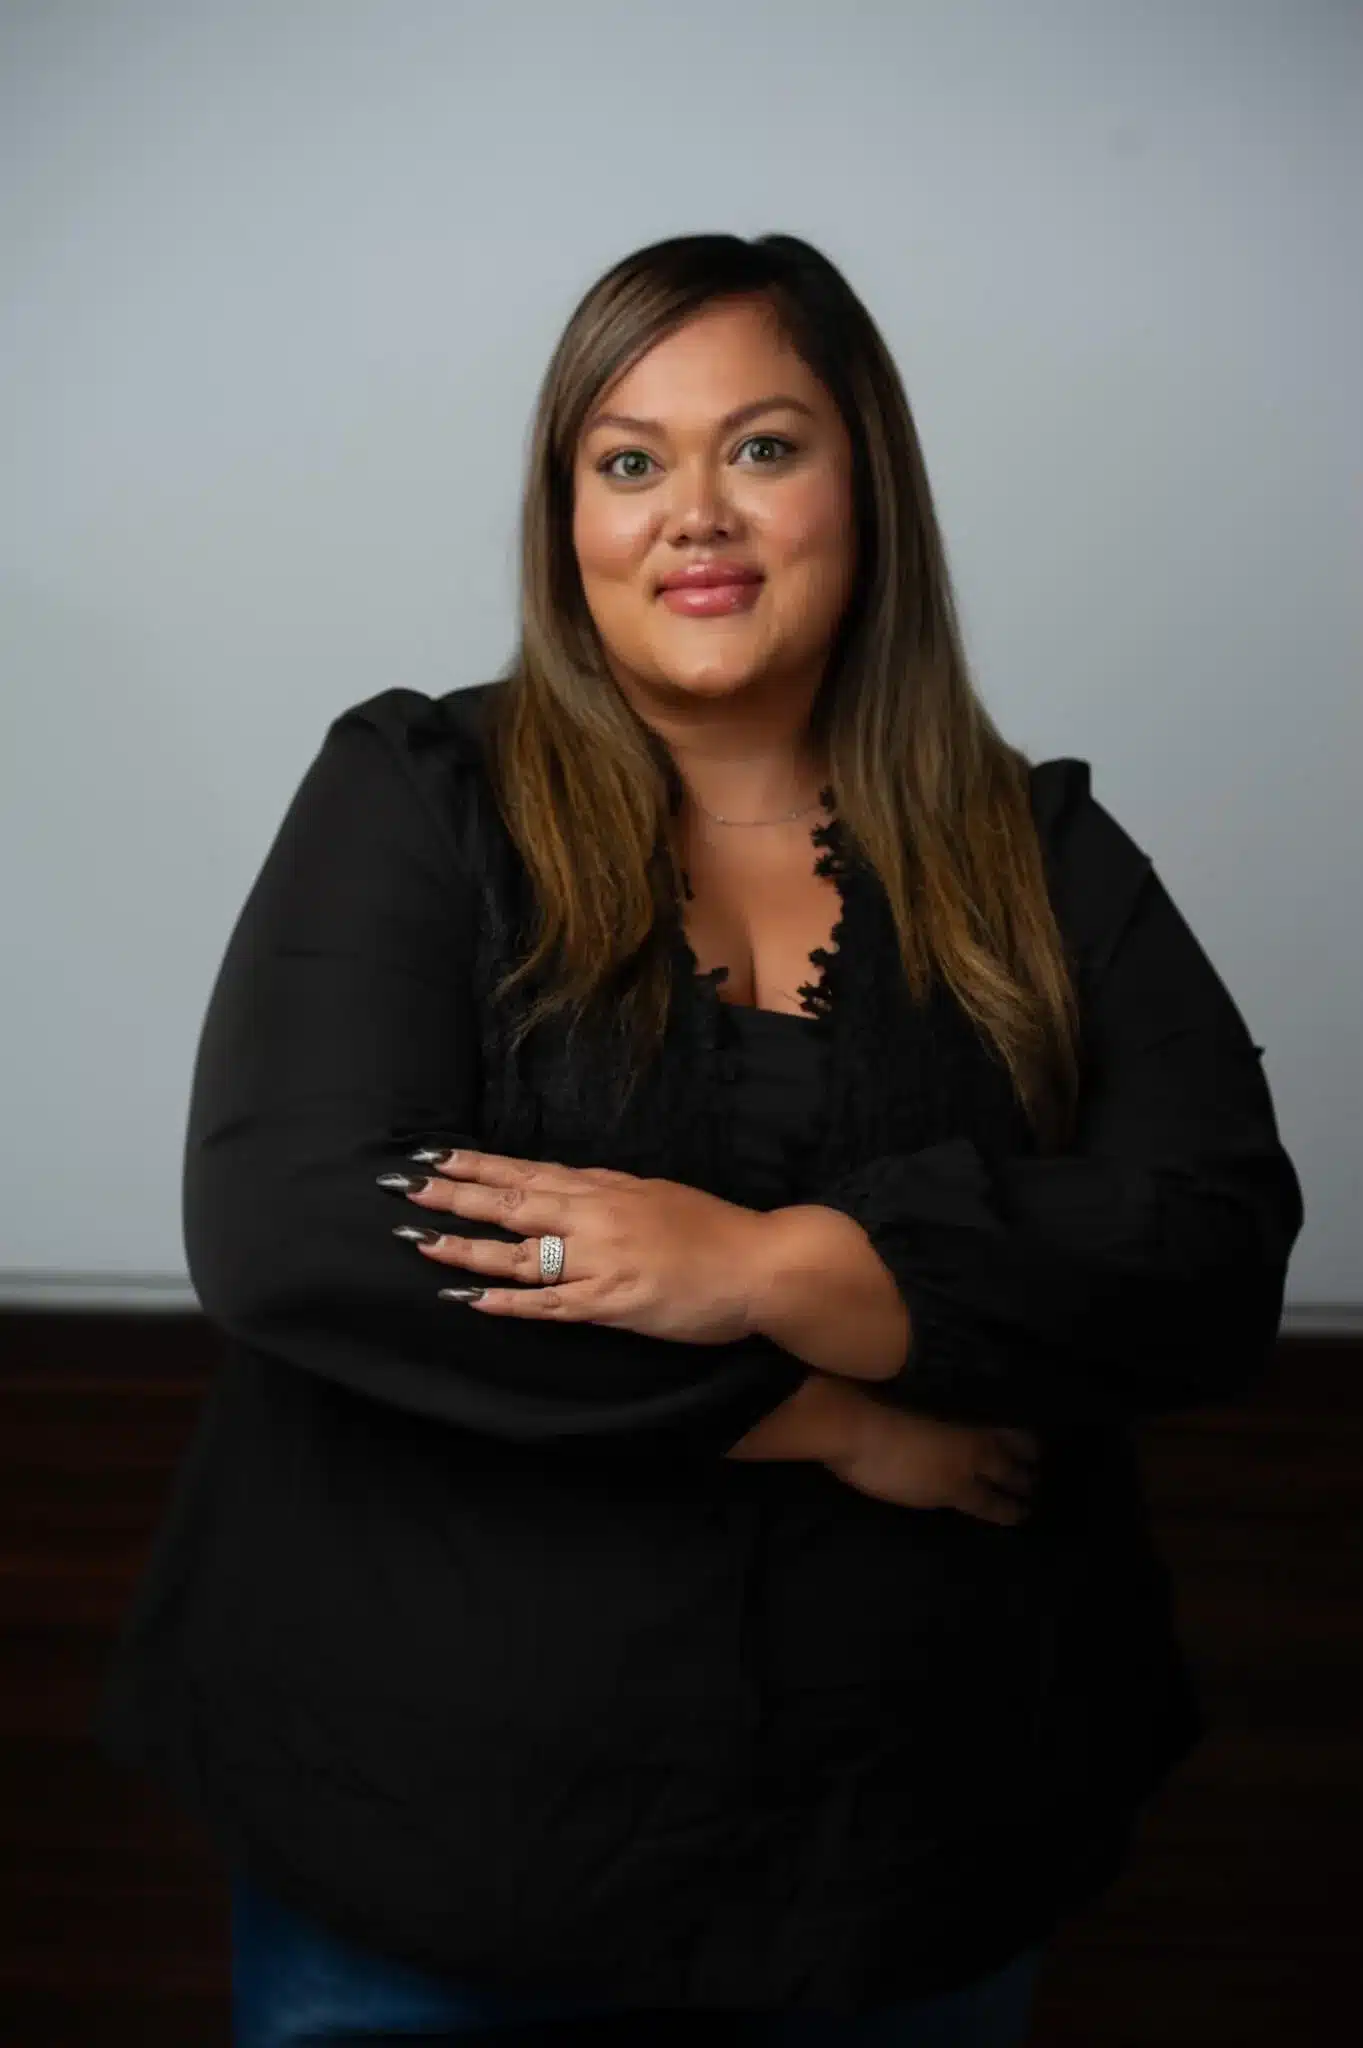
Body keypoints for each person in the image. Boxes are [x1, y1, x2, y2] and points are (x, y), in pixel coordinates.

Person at [94, 232, 1304, 2046]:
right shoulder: (418, 795)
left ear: (863, 485)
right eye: (629, 460)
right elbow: (295, 1221)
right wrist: (802, 1401)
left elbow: (1209, 1245)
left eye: (762, 446)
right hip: (431, 1835)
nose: (694, 517)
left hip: (908, 1847)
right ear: (566, 517)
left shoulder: (1037, 856)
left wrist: (779, 1267)